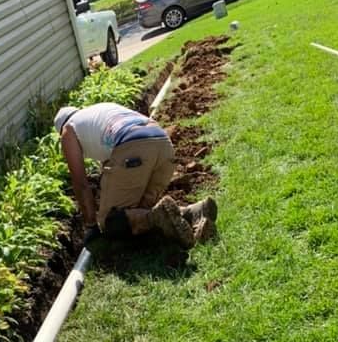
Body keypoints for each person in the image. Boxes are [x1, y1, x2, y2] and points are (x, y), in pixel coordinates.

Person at [54, 103, 217, 248]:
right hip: (164, 145)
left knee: (110, 221)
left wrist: (91, 225)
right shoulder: (99, 112)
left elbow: (81, 183)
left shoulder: (68, 130)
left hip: (135, 147)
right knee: (138, 210)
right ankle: (195, 212)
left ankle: (156, 217)